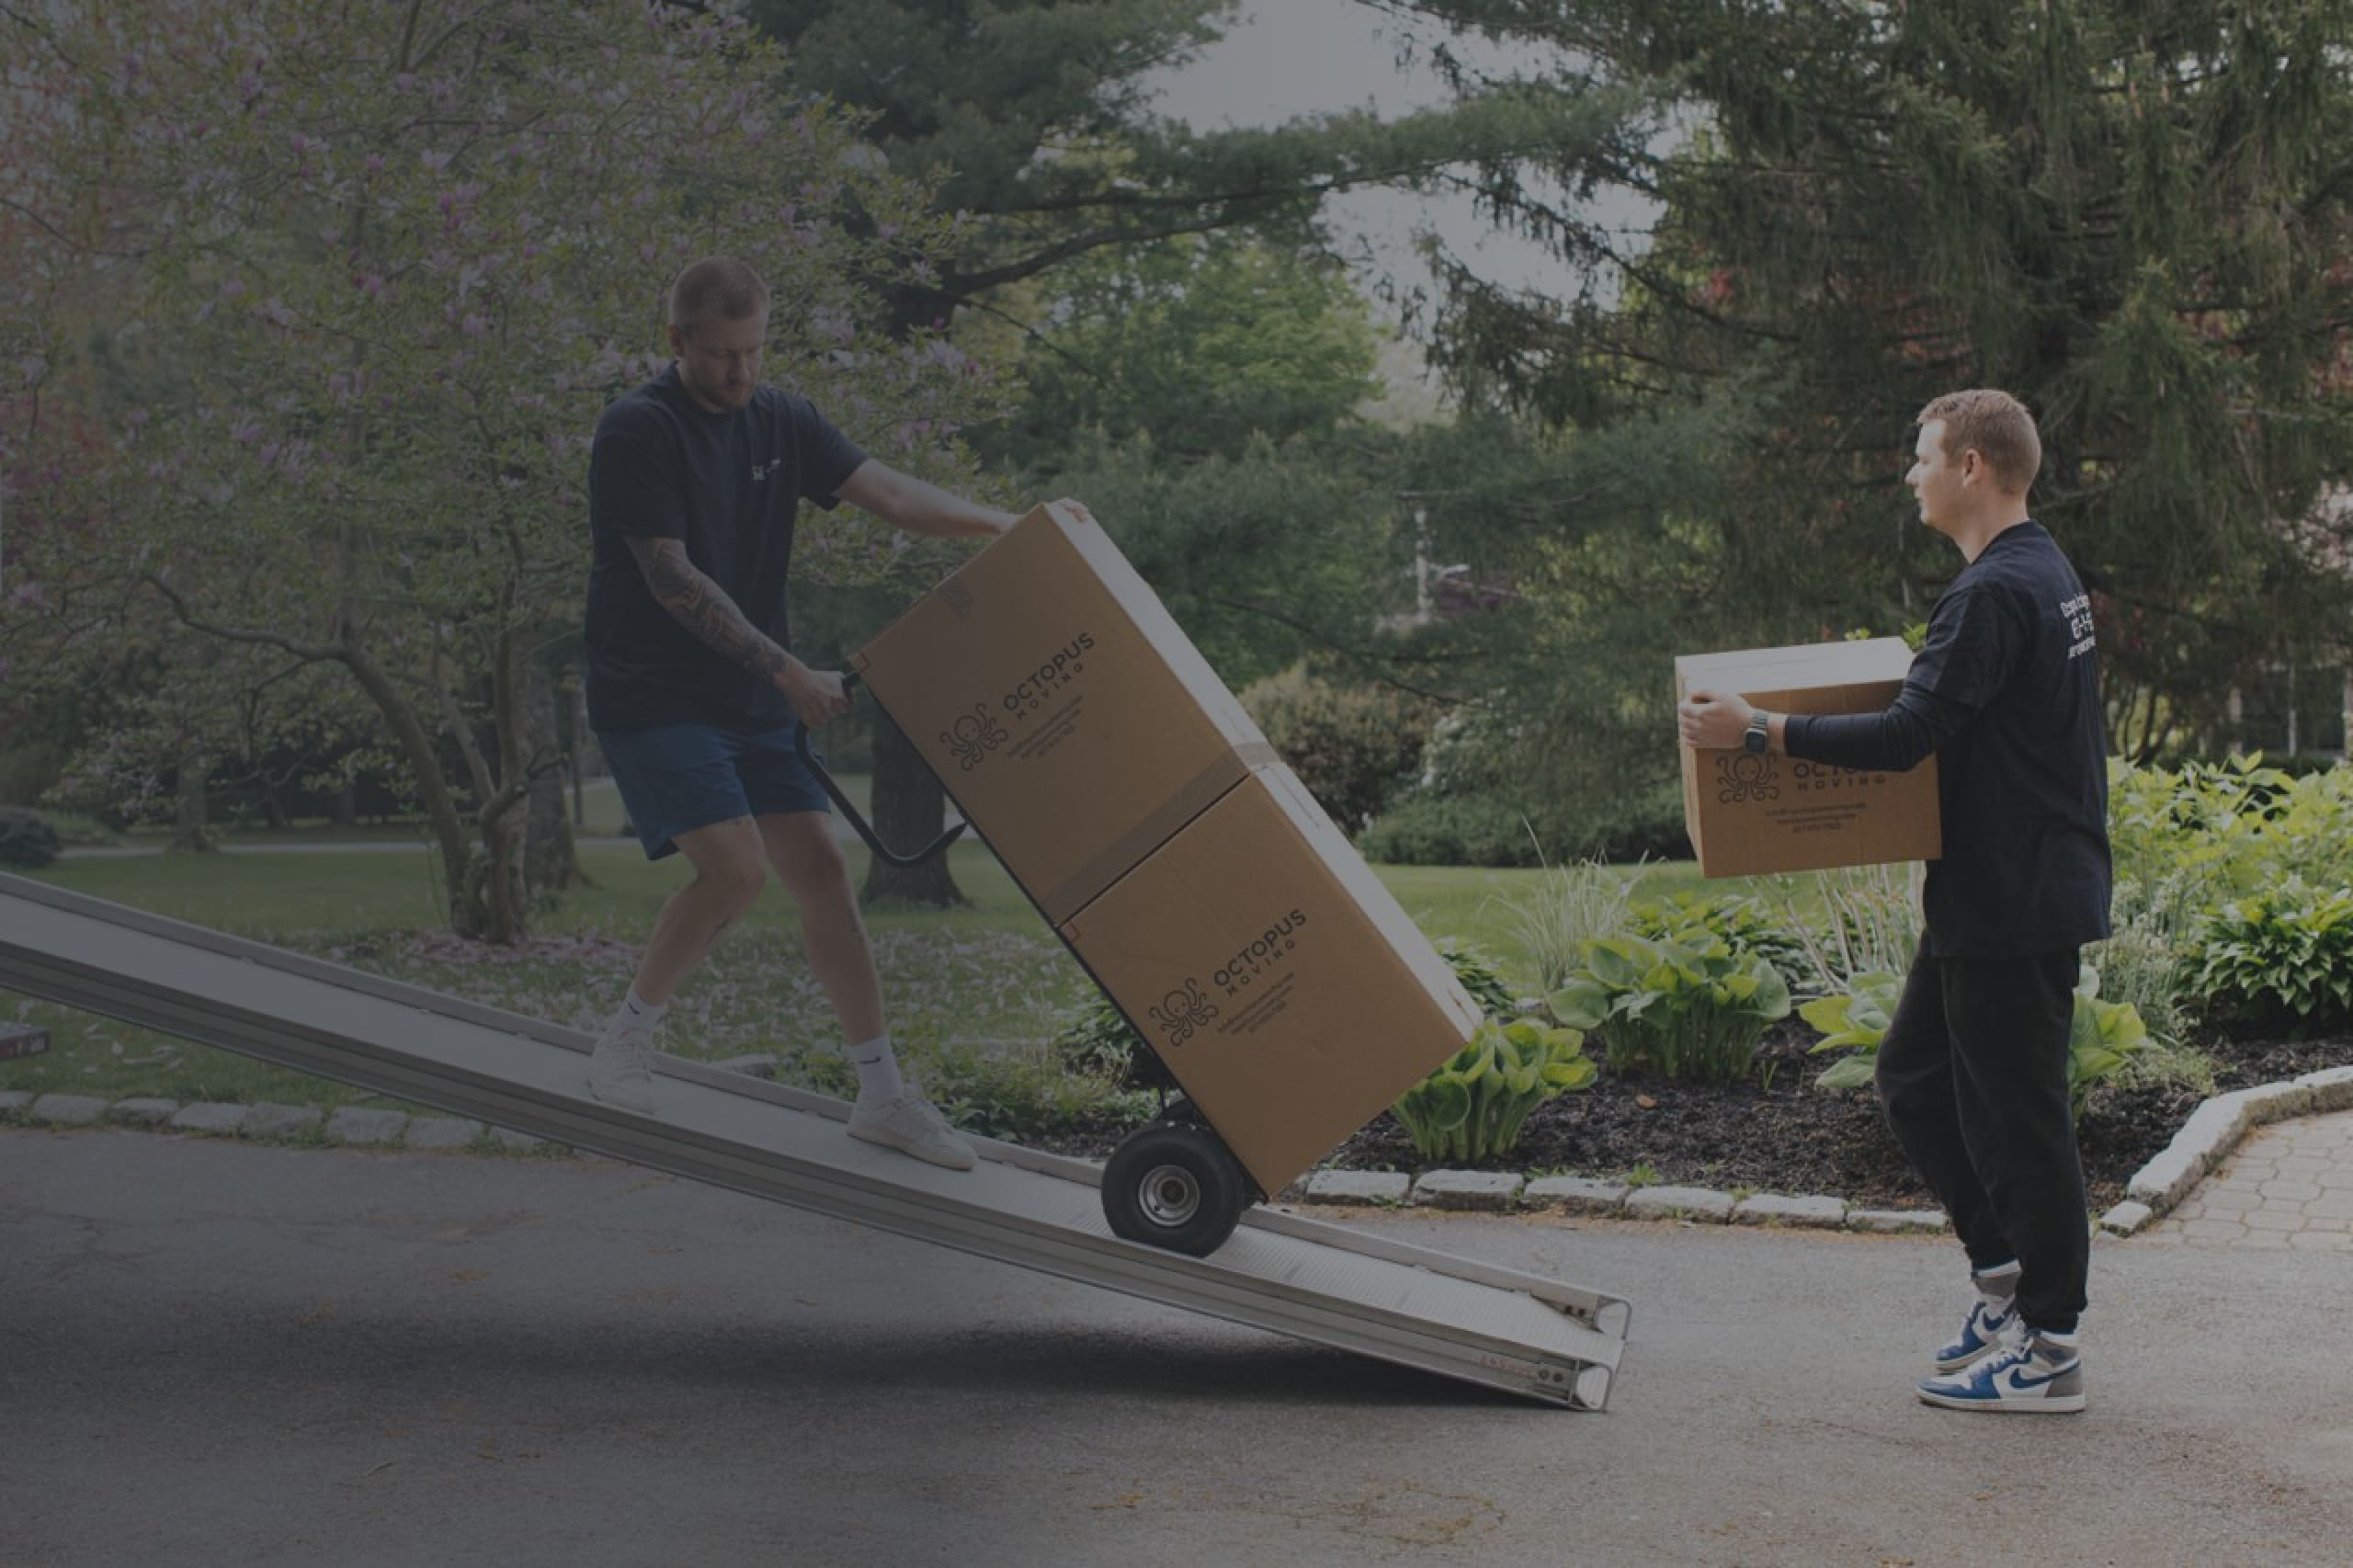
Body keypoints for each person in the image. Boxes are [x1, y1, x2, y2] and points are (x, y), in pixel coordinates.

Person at [582, 256, 1075, 1172]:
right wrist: (783, 671)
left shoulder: (781, 419)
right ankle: (624, 1040)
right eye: (722, 355)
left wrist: (1008, 524)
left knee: (821, 872)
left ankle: (881, 1094)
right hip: (652, 692)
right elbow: (670, 578)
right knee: (734, 872)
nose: (740, 372)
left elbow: (888, 493)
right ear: (677, 341)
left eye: (754, 351)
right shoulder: (637, 430)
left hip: (745, 692)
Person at [1678, 389, 2111, 1415]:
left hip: (2014, 898)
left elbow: (1906, 733)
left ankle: (2051, 1346)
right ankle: (2005, 1281)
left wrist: (1758, 731)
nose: (1909, 474)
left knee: (2021, 1121)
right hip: (2000, 888)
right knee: (1914, 1077)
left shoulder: (1995, 591)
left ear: (1970, 465)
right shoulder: (2038, 572)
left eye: (1921, 456)